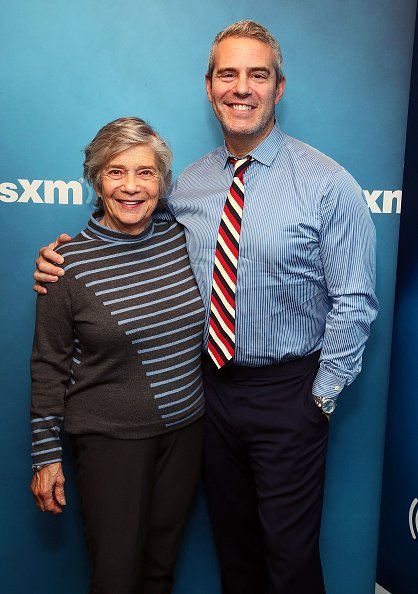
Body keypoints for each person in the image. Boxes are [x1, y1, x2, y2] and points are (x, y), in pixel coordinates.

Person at [33, 21, 378, 594]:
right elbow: (127, 228)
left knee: (289, 559)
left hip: (288, 393)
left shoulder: (326, 183)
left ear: (279, 88)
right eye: (228, 74)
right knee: (234, 550)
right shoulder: (189, 183)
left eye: (257, 75)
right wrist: (62, 257)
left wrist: (320, 396)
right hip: (208, 396)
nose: (241, 88)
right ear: (210, 85)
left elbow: (356, 300)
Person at [30, 117, 205, 594]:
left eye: (146, 172)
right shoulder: (66, 268)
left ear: (163, 183)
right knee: (116, 577)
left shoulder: (183, 236)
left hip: (186, 433)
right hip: (111, 443)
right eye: (115, 171)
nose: (131, 186)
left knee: (159, 570)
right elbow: (48, 365)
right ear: (96, 180)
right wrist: (45, 457)